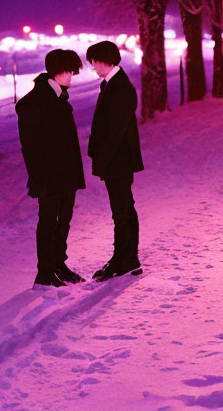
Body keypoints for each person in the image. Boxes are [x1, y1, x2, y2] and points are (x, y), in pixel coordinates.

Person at [16, 49, 86, 288]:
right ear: (56, 71)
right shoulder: (33, 103)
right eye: (69, 71)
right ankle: (45, 271)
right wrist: (38, 177)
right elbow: (31, 147)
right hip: (49, 176)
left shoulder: (59, 96)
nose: (72, 75)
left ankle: (58, 263)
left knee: (63, 220)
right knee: (48, 222)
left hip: (65, 174)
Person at [86, 40, 144, 280]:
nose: (92, 66)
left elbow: (115, 132)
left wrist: (102, 161)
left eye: (93, 61)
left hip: (118, 162)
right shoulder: (112, 85)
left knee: (121, 212)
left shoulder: (119, 88)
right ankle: (127, 258)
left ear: (104, 60)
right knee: (124, 210)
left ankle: (124, 260)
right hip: (117, 161)